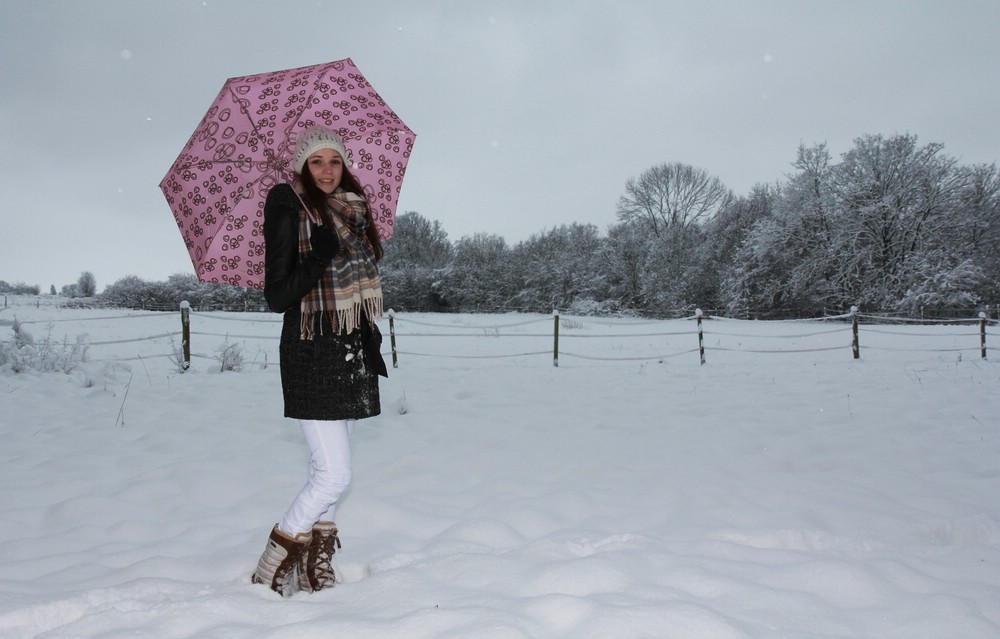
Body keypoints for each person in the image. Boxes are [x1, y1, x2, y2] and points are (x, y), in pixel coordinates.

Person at [251, 125, 388, 597]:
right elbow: (276, 295)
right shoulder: (288, 207)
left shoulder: (352, 211)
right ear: (302, 167)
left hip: (351, 347)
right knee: (335, 474)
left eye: (334, 161)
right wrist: (317, 260)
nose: (327, 170)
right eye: (316, 162)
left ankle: (316, 559)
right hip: (312, 349)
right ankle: (273, 562)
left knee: (324, 469)